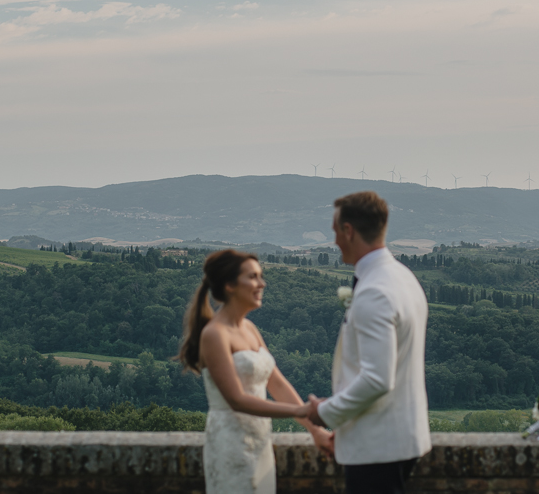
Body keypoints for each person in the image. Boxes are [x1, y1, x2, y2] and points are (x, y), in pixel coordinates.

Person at [179, 249, 334, 494]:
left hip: (260, 442)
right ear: (230, 285)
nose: (262, 283)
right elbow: (237, 399)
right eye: (253, 277)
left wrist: (315, 431)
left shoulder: (250, 328)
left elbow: (278, 385)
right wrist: (302, 410)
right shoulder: (214, 334)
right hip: (230, 445)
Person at [307, 191, 431, 494]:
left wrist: (326, 413)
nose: (334, 241)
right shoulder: (403, 277)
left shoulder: (374, 291)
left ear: (349, 230)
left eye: (335, 231)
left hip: (379, 447)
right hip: (396, 438)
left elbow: (377, 379)